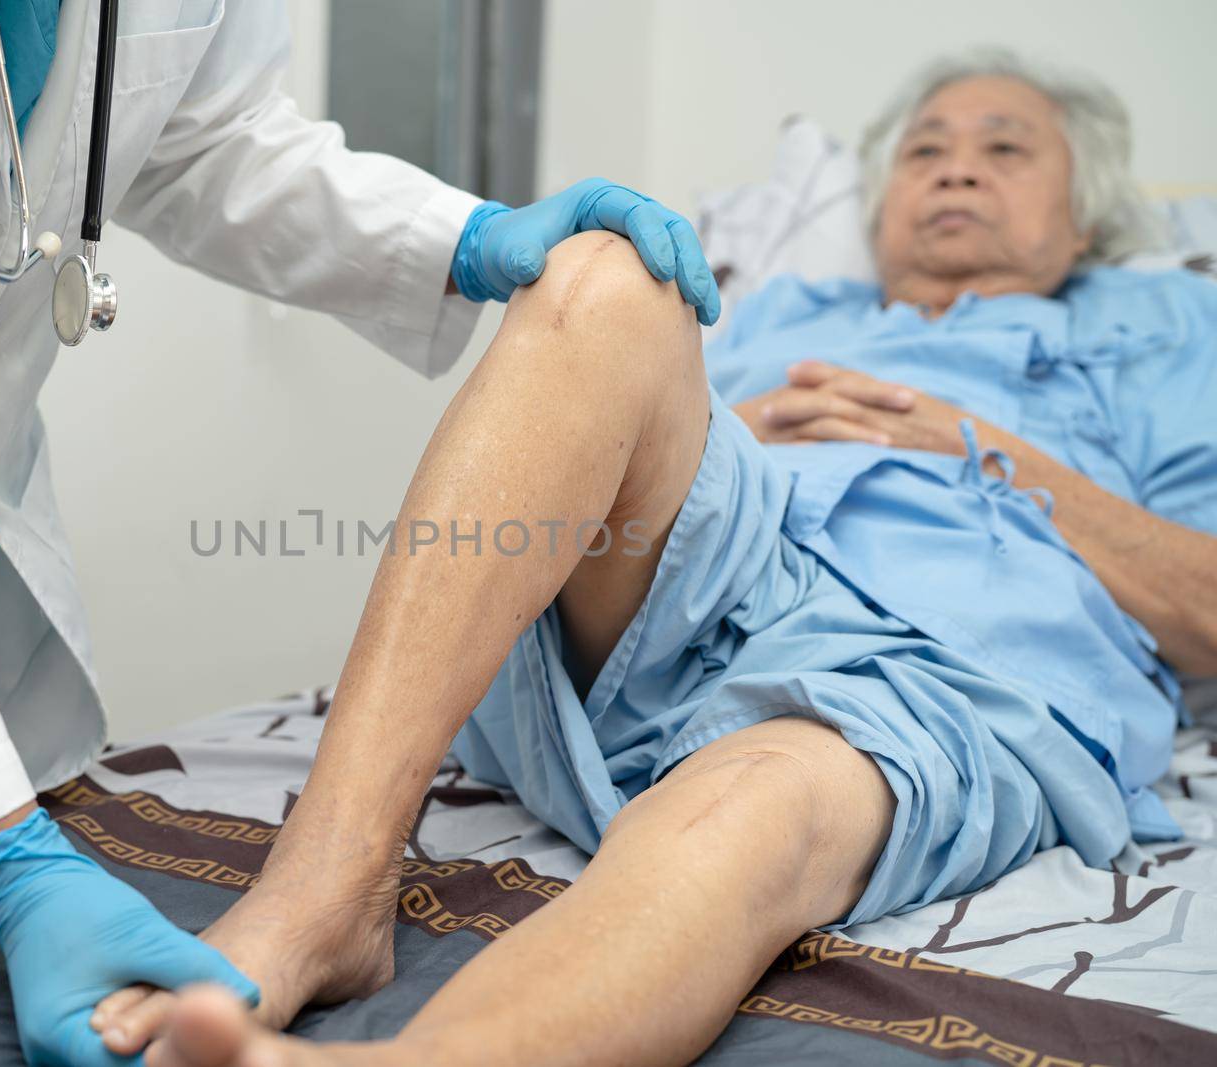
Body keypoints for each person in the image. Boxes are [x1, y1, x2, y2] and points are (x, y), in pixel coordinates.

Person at [0, 2, 719, 1064]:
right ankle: (320, 894)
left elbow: (210, 139)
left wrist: (462, 236)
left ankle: (316, 896)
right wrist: (5, 856)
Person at [91, 49, 1217, 1067]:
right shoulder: (782, 307)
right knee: (607, 276)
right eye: (926, 150)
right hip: (704, 562)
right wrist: (739, 426)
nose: (955, 172)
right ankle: (322, 889)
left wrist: (974, 446)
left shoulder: (1161, 325)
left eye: (1004, 150)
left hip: (941, 648)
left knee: (761, 795)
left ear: (1086, 215)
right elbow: (597, 439)